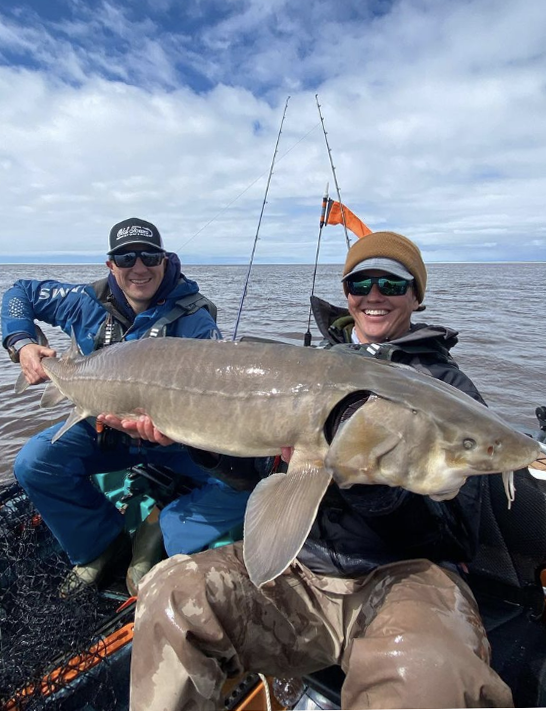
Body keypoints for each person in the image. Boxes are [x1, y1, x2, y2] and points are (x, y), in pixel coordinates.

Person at [127, 230, 514, 710]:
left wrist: (372, 488)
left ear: (417, 296)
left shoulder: (452, 391)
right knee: (169, 592)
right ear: (346, 294)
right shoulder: (307, 367)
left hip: (405, 580)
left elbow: (456, 540)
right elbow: (253, 473)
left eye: (392, 285)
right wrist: (193, 438)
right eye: (360, 283)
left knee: (431, 671)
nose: (374, 296)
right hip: (302, 573)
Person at [1, 217, 253, 595]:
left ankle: (163, 526)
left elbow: (218, 401)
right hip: (101, 429)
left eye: (150, 257)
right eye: (126, 258)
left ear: (165, 260)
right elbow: (19, 292)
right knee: (33, 463)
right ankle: (100, 544)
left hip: (174, 438)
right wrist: (22, 343)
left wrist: (174, 433)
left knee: (251, 485)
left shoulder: (196, 320)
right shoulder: (84, 301)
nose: (139, 268)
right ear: (110, 265)